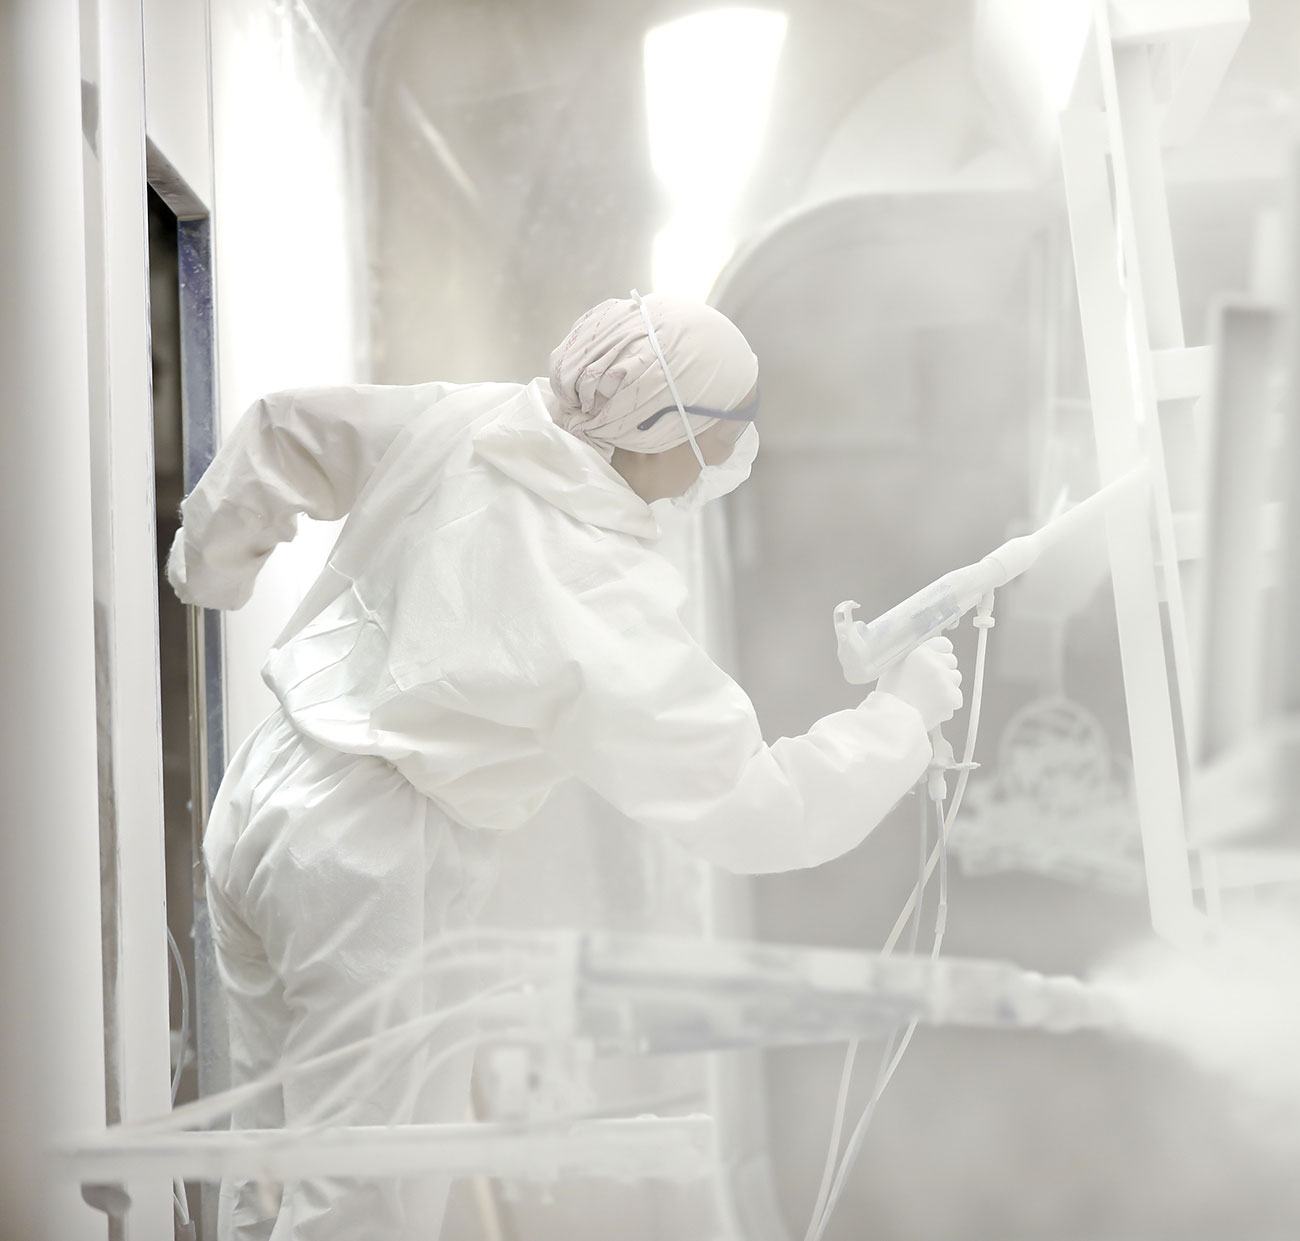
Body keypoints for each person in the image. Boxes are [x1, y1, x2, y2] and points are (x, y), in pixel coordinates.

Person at [170, 291, 962, 1241]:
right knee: (363, 1197)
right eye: (720, 437)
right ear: (659, 428)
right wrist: (902, 717)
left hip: (264, 793)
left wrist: (210, 566)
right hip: (363, 863)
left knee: (269, 1159)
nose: (725, 462)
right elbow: (757, 807)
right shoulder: (595, 589)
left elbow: (286, 430)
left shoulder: (481, 419)